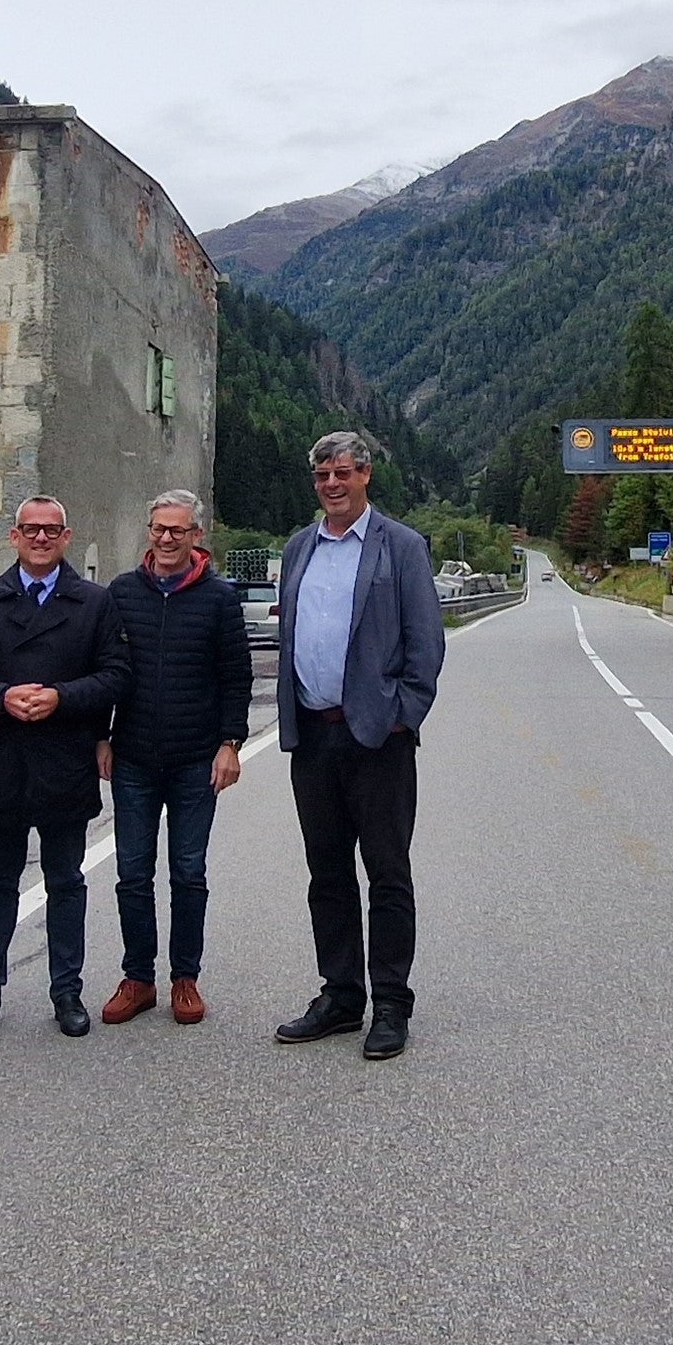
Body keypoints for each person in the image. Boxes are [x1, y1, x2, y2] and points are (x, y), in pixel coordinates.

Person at [270, 430, 445, 1060]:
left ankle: (391, 1003)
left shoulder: (401, 546)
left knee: (387, 872)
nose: (332, 485)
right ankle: (341, 996)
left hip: (377, 737)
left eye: (342, 473)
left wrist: (402, 715)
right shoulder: (299, 547)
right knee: (327, 873)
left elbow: (427, 641)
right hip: (313, 735)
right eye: (322, 476)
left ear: (365, 474)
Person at [0, 494, 129, 1040]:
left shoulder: (94, 602)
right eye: (31, 529)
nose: (41, 538)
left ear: (66, 537)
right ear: (15, 537)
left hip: (64, 759)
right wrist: (0, 696)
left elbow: (116, 674)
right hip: (1, 761)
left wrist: (61, 697)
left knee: (66, 882)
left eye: (51, 530)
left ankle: (67, 992)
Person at [96, 488, 253, 1026]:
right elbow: (103, 669)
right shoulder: (121, 592)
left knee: (188, 872)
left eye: (177, 530)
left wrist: (231, 744)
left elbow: (236, 677)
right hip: (133, 757)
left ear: (196, 536)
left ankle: (185, 978)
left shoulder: (219, 598)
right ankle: (138, 978)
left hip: (195, 760)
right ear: (150, 531)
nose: (166, 538)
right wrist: (101, 736)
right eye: (159, 529)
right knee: (132, 873)